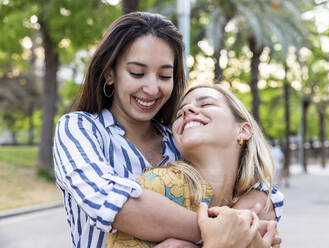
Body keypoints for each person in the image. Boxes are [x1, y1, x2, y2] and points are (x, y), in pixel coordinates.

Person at [53, 12, 284, 248]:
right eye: (137, 73)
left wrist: (237, 229)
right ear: (110, 73)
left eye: (165, 75)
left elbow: (262, 189)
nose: (152, 89)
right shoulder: (81, 128)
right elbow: (111, 202)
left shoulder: (181, 140)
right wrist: (224, 233)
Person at [106, 85, 282, 248]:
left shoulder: (260, 217)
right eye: (179, 114)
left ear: (243, 130)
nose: (186, 110)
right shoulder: (156, 186)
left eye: (206, 103)